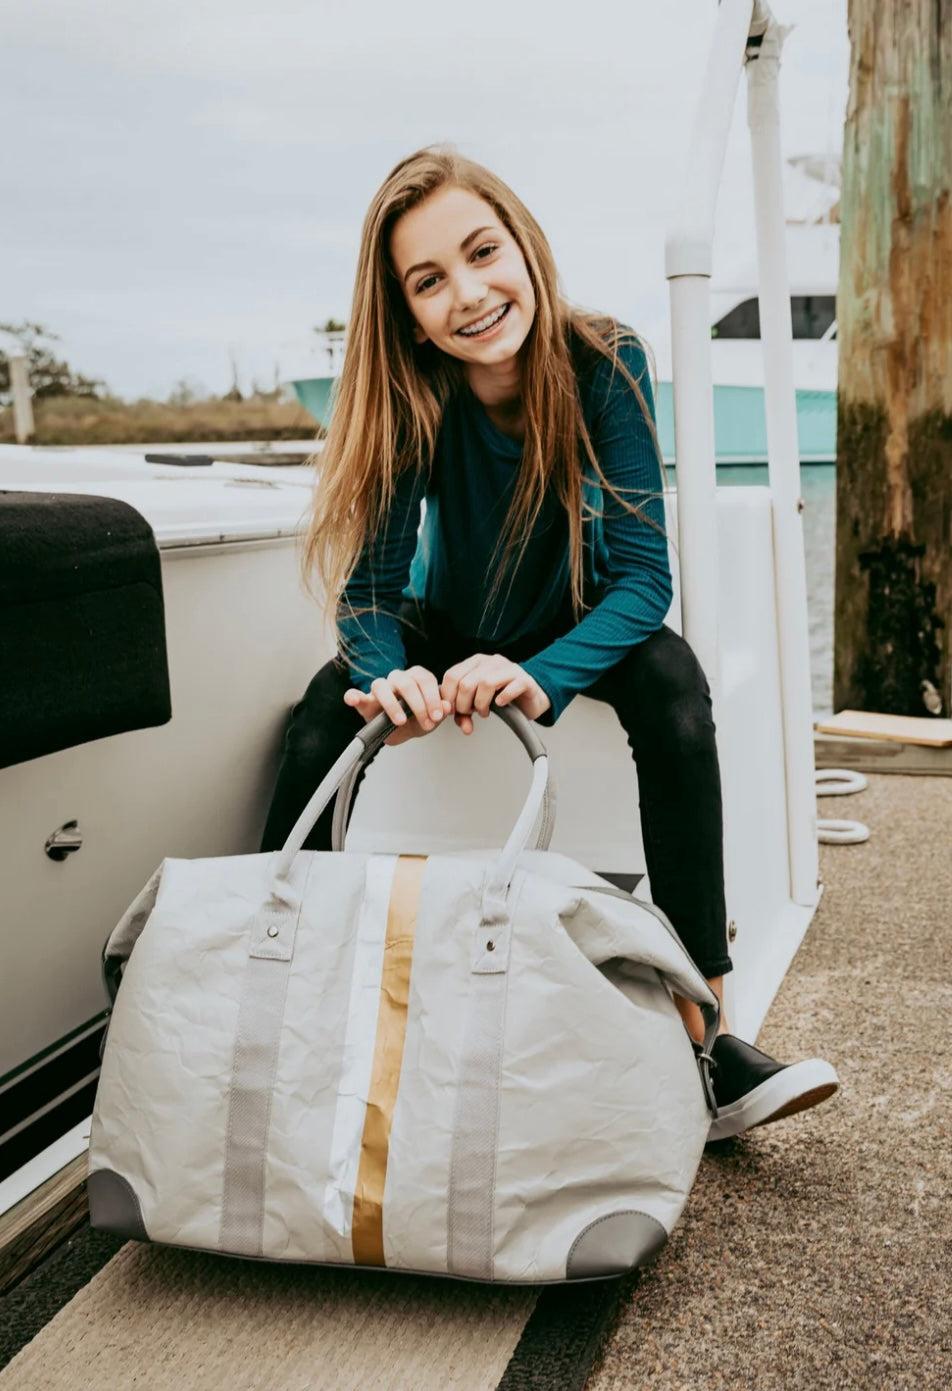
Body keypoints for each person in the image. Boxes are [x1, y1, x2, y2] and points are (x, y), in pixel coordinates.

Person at [261, 143, 838, 1141]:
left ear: (523, 246)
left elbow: (642, 582)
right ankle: (268, 998)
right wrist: (389, 676)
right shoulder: (416, 393)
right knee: (320, 713)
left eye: (482, 252)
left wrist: (530, 676)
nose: (469, 294)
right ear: (406, 312)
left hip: (567, 624)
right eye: (429, 281)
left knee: (672, 686)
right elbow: (369, 593)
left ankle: (710, 1036)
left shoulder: (603, 360)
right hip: (444, 631)